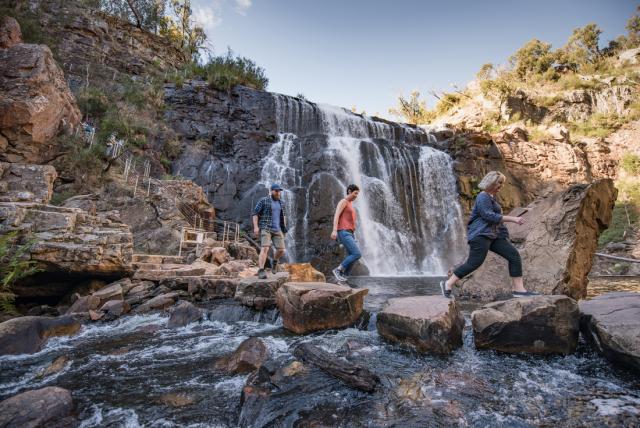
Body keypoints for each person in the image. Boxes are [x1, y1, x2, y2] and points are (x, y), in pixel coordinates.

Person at [440, 171, 537, 299]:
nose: (501, 186)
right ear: (491, 182)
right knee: (474, 263)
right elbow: (488, 215)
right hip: (481, 235)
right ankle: (447, 283)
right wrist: (513, 219)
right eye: (499, 183)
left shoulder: (491, 198)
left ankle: (519, 290)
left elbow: (495, 220)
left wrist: (503, 235)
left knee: (513, 256)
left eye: (502, 183)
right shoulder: (482, 196)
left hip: (494, 236)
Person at [252, 183, 288, 279]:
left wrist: (284, 228)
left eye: (279, 191)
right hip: (266, 228)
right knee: (265, 248)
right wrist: (256, 227)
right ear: (271, 191)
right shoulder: (264, 201)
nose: (278, 193)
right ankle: (261, 270)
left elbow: (284, 216)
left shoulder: (281, 203)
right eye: (276, 191)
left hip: (278, 229)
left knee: (281, 250)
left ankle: (275, 261)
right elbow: (255, 214)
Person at [330, 184, 361, 283]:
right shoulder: (344, 201)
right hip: (343, 232)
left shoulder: (351, 204)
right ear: (349, 191)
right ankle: (338, 270)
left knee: (352, 256)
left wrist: (353, 235)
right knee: (357, 254)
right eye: (355, 193)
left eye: (357, 194)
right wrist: (334, 230)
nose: (356, 196)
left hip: (350, 233)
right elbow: (336, 216)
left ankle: (344, 276)